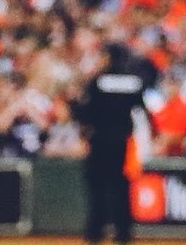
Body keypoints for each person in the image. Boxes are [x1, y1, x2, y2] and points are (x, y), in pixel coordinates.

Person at [73, 43, 148, 245]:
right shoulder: (133, 81)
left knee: (97, 190)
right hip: (122, 142)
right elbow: (141, 110)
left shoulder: (97, 81)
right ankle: (123, 233)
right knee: (121, 188)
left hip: (100, 141)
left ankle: (95, 233)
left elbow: (85, 113)